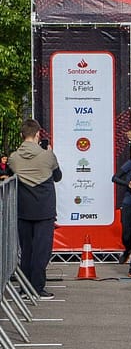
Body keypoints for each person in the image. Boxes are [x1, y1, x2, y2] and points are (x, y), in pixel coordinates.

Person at [8, 119, 62, 299]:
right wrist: (50, 154)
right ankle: (37, 288)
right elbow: (58, 177)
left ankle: (24, 288)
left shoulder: (14, 158)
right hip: (44, 209)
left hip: (23, 209)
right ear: (38, 134)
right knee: (42, 251)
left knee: (26, 250)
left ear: (22, 135)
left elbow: (9, 175)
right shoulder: (48, 156)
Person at [112, 129, 131, 276]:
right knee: (126, 234)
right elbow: (115, 178)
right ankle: (127, 249)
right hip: (129, 201)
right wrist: (128, 183)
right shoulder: (130, 164)